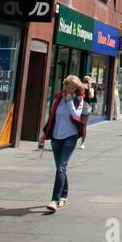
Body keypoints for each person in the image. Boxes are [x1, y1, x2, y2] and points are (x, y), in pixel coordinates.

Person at [44, 75, 84, 213]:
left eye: (72, 87)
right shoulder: (58, 98)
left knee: (61, 167)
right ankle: (64, 195)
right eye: (67, 86)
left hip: (69, 137)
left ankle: (54, 200)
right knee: (60, 168)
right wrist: (44, 135)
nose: (69, 89)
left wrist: (69, 102)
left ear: (76, 88)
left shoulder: (78, 99)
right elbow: (52, 117)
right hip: (56, 137)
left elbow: (76, 115)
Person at [79, 76, 95, 149]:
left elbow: (90, 96)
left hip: (86, 108)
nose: (86, 82)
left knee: (84, 126)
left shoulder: (91, 89)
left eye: (88, 81)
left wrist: (89, 86)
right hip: (78, 107)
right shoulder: (80, 88)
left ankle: (82, 142)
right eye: (85, 81)